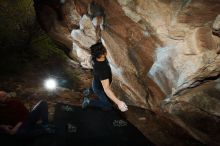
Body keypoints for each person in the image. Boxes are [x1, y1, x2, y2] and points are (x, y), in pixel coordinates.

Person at [82, 42, 128, 112]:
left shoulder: (94, 57)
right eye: (105, 49)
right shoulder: (102, 70)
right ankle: (88, 101)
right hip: (99, 89)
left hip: (96, 81)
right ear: (102, 54)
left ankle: (89, 90)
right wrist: (118, 102)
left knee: (97, 84)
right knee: (108, 106)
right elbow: (106, 89)